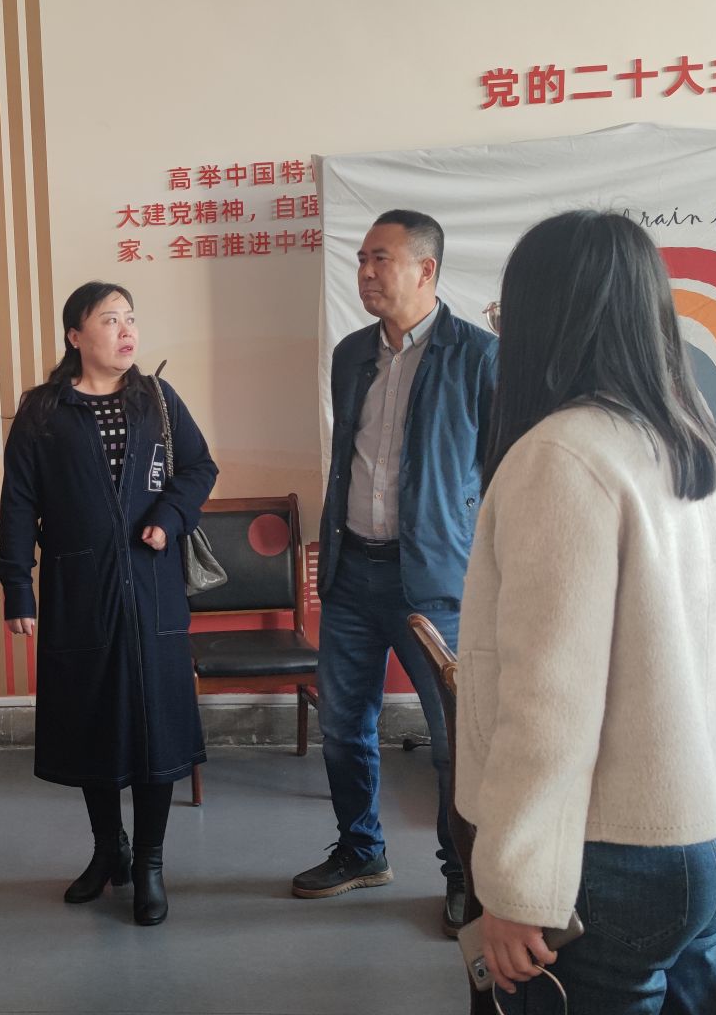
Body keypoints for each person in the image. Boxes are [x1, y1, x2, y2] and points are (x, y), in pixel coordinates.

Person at [459, 211, 716, 1013]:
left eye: (507, 316)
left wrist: (515, 882)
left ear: (546, 320)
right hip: (705, 838)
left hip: (604, 855)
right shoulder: (702, 447)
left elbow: (548, 699)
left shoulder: (561, 455)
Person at [295, 209, 495, 936]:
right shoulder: (351, 354)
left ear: (426, 269)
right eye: (362, 260)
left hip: (436, 581)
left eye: (381, 258)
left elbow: (500, 471)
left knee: (453, 741)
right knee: (343, 726)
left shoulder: (479, 357)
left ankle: (462, 875)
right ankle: (361, 852)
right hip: (352, 572)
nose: (366, 272)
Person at [0, 282, 218, 927]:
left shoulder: (156, 398)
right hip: (78, 588)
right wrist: (17, 585)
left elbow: (198, 468)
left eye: (130, 319)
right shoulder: (42, 411)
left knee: (155, 726)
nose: (126, 331)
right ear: (75, 335)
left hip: (152, 587)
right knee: (94, 718)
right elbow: (19, 503)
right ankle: (108, 850)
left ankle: (149, 863)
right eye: (109, 319)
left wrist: (168, 519)